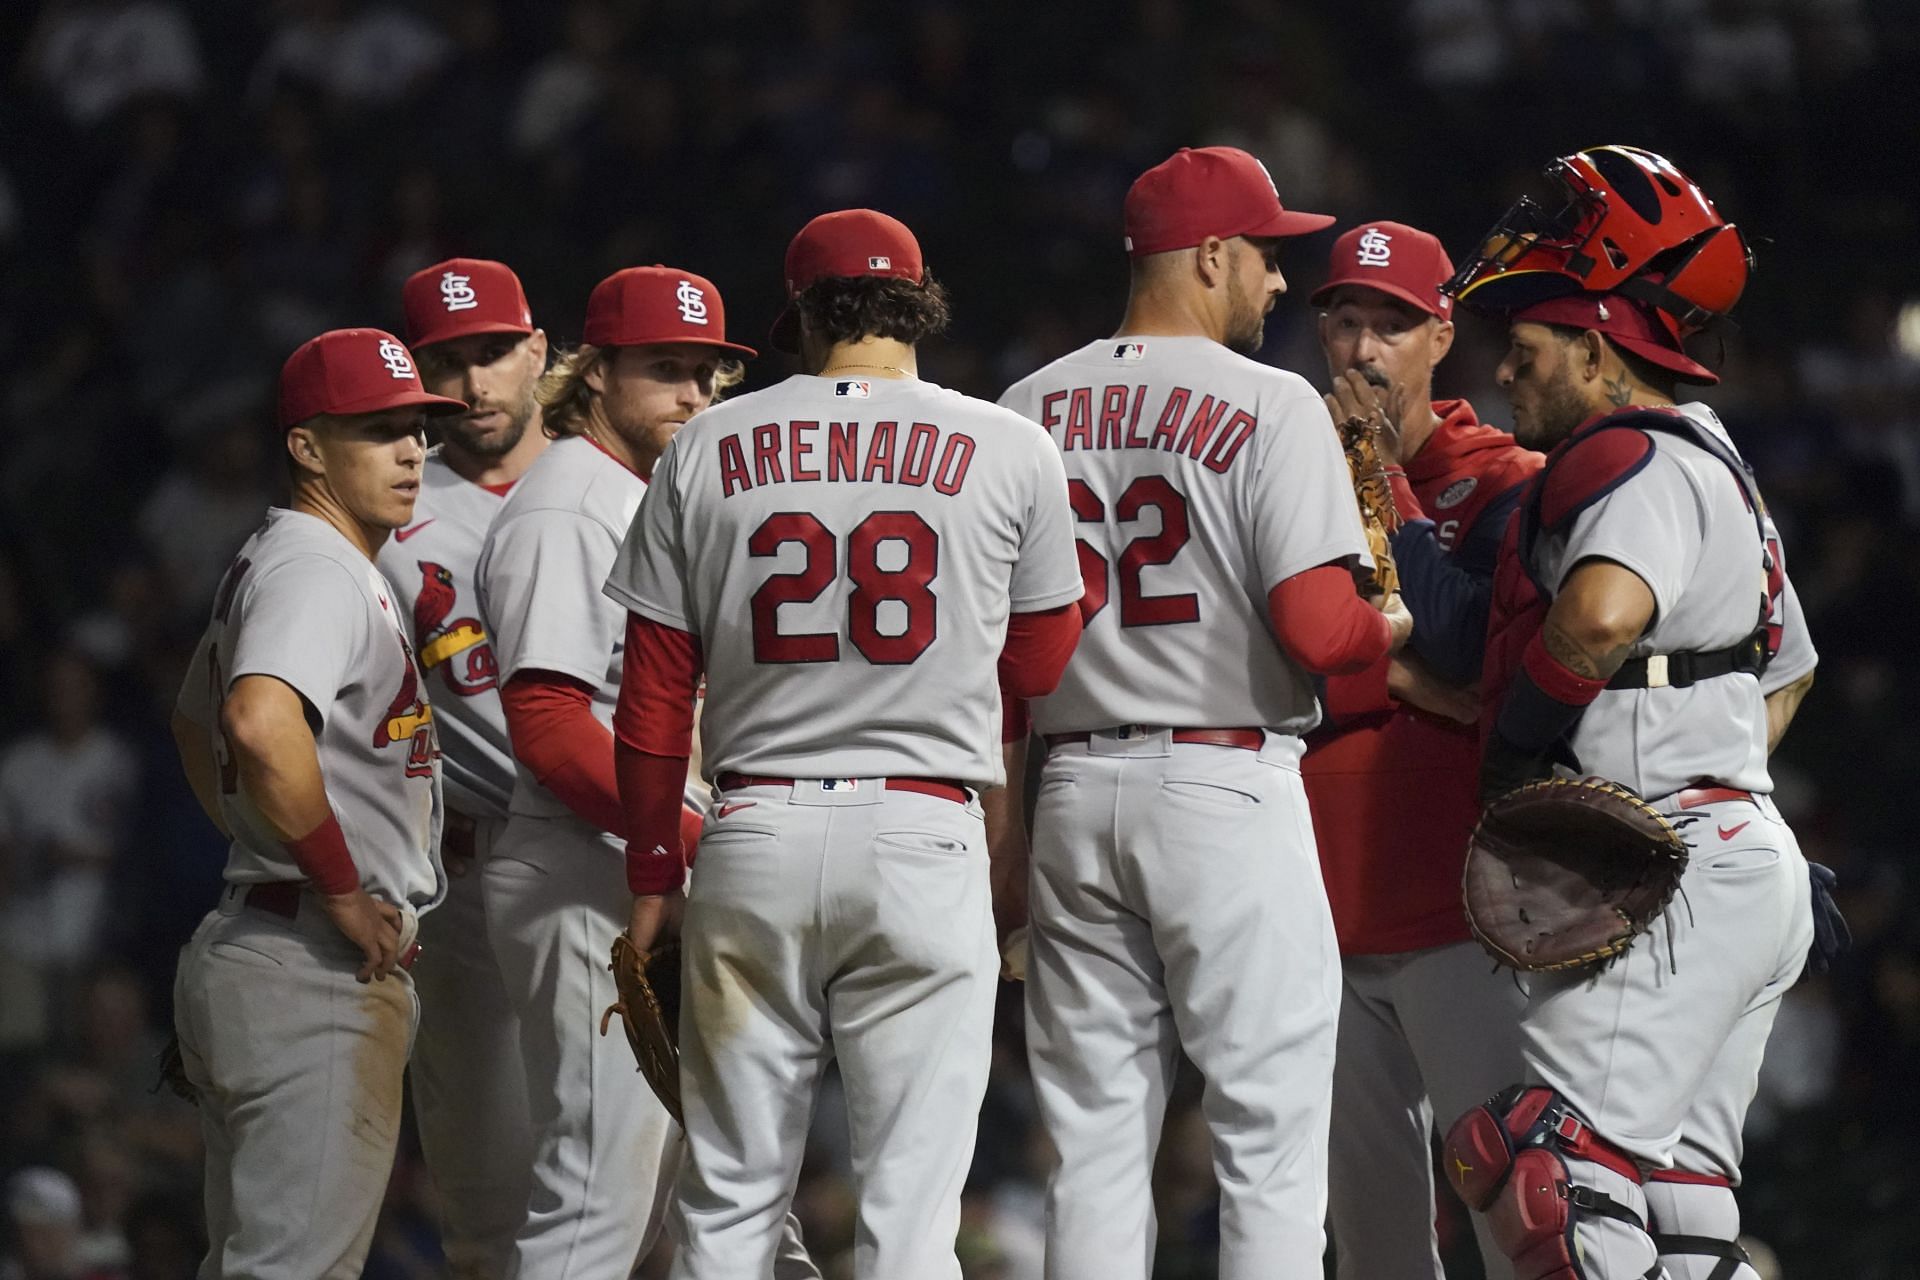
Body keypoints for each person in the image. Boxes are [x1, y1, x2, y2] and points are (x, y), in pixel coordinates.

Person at [606, 208, 1085, 1279]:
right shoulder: (1011, 445)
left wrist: (650, 865)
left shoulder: (708, 445)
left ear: (807, 319)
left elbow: (652, 692)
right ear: (918, 305)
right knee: (912, 1213)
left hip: (754, 828)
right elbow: (1044, 664)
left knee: (728, 1200)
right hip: (925, 830)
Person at [995, 145, 1413, 1280]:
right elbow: (1323, 628)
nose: (1281, 284)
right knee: (1270, 1126)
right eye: (1268, 257)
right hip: (1224, 783)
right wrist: (1396, 622)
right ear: (1213, 254)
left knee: (1089, 1139)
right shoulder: (1273, 402)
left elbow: (1003, 666)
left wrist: (1008, 841)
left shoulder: (1023, 408)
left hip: (1074, 785)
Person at [1441, 144, 1821, 1280]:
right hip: (1741, 859)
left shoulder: (1628, 451)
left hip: (1679, 872)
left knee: (1541, 1165)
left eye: (1527, 351)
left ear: (1597, 347)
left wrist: (1518, 750)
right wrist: (1718, 788)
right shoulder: (1723, 462)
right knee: (1683, 1213)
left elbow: (1600, 616)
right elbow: (1789, 669)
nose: (1507, 374)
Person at [475, 265, 812, 1279]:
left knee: (739, 1195)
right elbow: (546, 723)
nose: (694, 398)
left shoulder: (642, 494)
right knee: (596, 1201)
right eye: (666, 371)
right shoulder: (569, 503)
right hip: (592, 871)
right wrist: (694, 842)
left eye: (707, 374)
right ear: (594, 374)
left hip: (644, 862)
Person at [170, 327, 462, 1278]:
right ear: (307, 446)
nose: (411, 449)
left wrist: (272, 847)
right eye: (378, 430)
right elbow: (255, 723)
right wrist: (330, 881)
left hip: (265, 938)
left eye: (417, 427)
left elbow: (191, 724)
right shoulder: (318, 566)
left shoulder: (283, 554)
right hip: (308, 962)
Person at [1301, 220, 1540, 1280]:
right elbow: (1280, 670)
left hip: (1468, 906)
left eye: (1391, 323)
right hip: (1321, 903)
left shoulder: (1508, 478)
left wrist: (1374, 477)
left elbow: (1471, 658)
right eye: (1345, 318)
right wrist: (1392, 673)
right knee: (1373, 1239)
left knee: (1522, 1209)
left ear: (1442, 336)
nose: (1362, 346)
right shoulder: (1274, 463)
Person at [376, 257, 549, 1279]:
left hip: (617, 858)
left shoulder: (616, 479)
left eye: (492, 353)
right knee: (489, 1208)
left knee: (668, 1187)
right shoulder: (385, 507)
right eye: (450, 362)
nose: (476, 385)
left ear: (536, 350)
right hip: (467, 872)